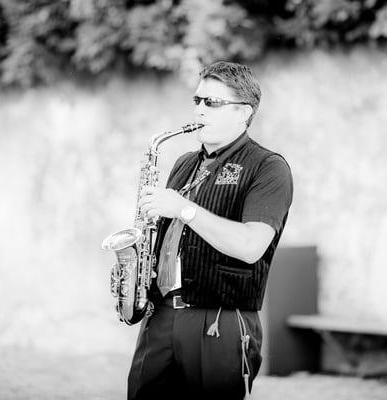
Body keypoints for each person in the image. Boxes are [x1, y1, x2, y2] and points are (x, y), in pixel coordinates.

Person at [129, 61, 293, 400]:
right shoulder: (184, 163)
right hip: (161, 315)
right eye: (197, 100)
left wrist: (184, 209)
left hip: (220, 320)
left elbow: (251, 246)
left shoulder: (268, 167)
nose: (199, 109)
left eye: (212, 102)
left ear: (243, 112)